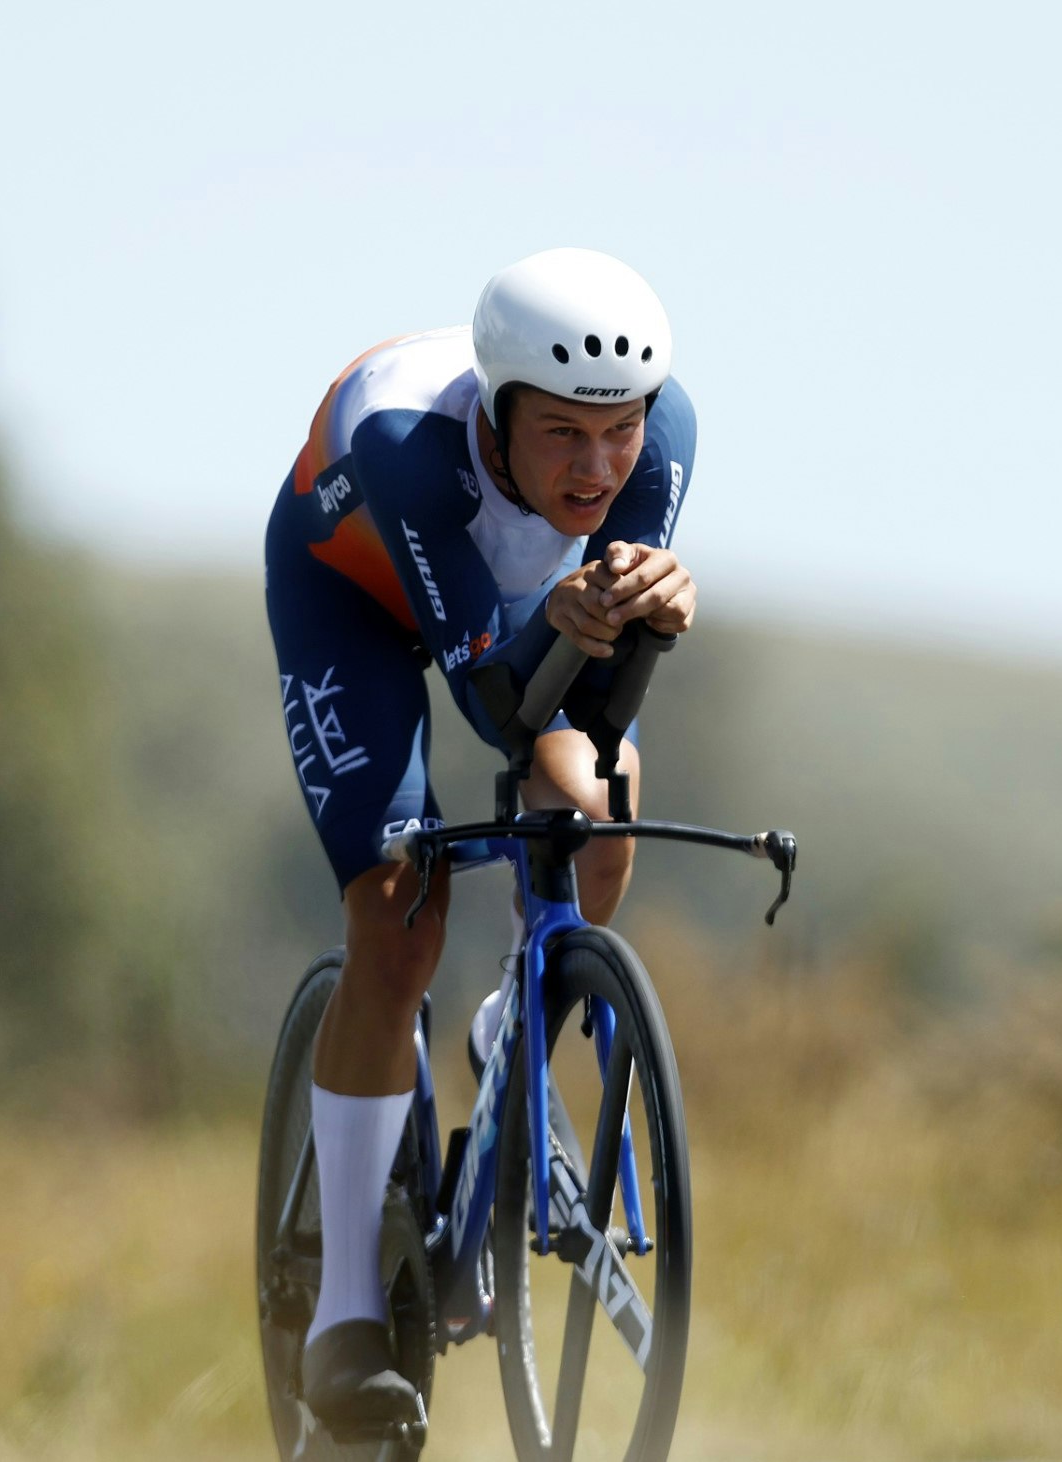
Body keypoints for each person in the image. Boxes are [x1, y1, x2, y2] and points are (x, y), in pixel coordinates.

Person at [263, 248, 697, 1432]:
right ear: (498, 415)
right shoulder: (409, 450)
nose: (600, 467)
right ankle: (344, 1308)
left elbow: (589, 716)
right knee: (398, 909)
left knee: (599, 801)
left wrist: (651, 619)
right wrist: (560, 626)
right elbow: (493, 710)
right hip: (351, 593)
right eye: (562, 435)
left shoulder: (664, 441)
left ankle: (525, 1007)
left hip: (506, 609)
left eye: (619, 433)